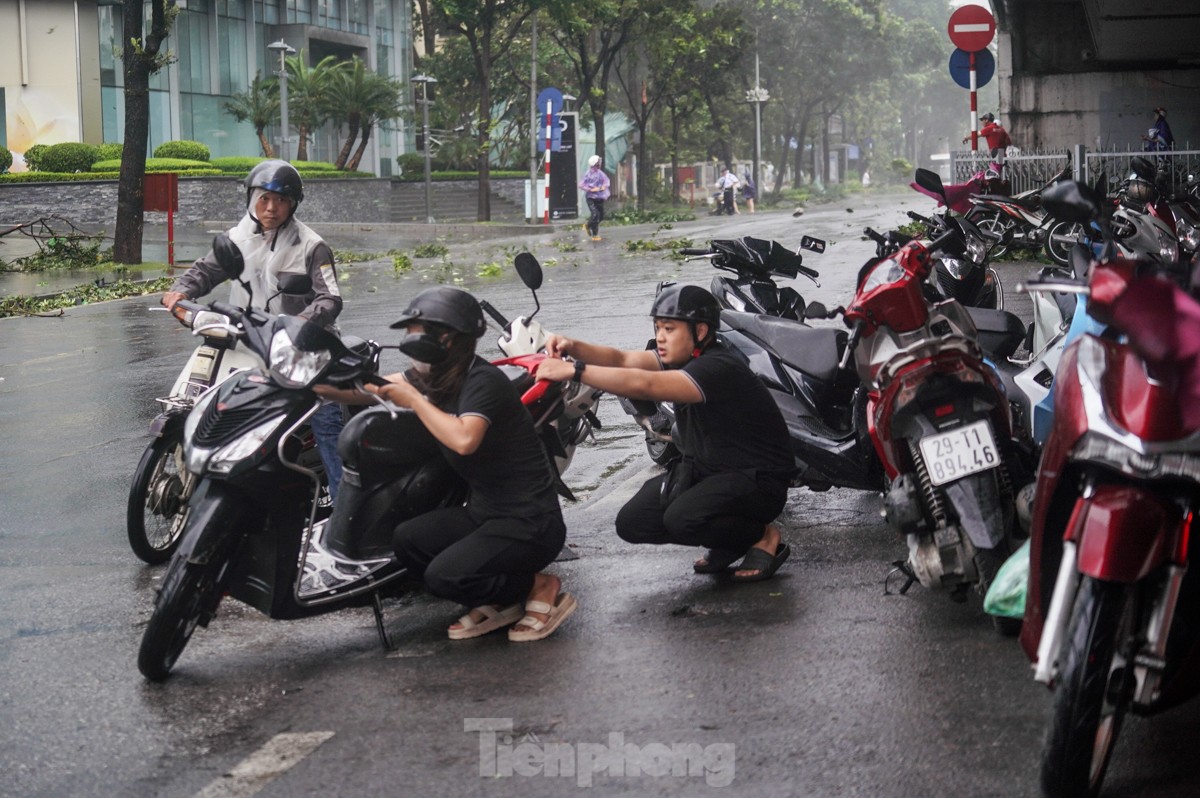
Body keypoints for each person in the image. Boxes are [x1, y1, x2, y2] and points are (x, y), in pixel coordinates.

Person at [535, 284, 795, 582]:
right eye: (658, 327)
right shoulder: (682, 359)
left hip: (757, 480)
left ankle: (761, 537)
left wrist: (574, 371)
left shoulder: (717, 367)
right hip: (710, 470)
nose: (660, 337)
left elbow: (644, 385)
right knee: (633, 522)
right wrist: (572, 346)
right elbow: (622, 360)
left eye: (669, 329)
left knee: (683, 519)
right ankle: (732, 541)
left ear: (700, 331)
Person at [363, 286, 575, 642]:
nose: (410, 341)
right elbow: (379, 387)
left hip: (529, 523)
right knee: (407, 540)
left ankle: (539, 586)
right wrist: (319, 379)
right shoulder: (439, 378)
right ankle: (502, 599)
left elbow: (465, 439)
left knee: (444, 576)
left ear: (447, 338)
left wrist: (414, 399)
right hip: (484, 514)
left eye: (418, 332)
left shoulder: (482, 381)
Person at [161, 159, 347, 498]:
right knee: (197, 397)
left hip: (302, 347)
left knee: (326, 417)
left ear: (293, 204)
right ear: (251, 199)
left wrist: (303, 322)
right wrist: (181, 292)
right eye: (263, 199)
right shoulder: (237, 238)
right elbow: (204, 271)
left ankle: (344, 506)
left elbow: (331, 299)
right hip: (246, 338)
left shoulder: (311, 245)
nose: (271, 208)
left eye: (280, 200)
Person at [578, 154, 611, 241]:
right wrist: (590, 189)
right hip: (591, 198)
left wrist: (603, 187)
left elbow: (606, 181)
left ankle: (593, 230)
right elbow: (581, 184)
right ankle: (589, 227)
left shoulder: (600, 173)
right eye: (599, 162)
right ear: (596, 163)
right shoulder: (588, 174)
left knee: (600, 216)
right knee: (595, 214)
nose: (600, 163)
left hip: (599, 197)